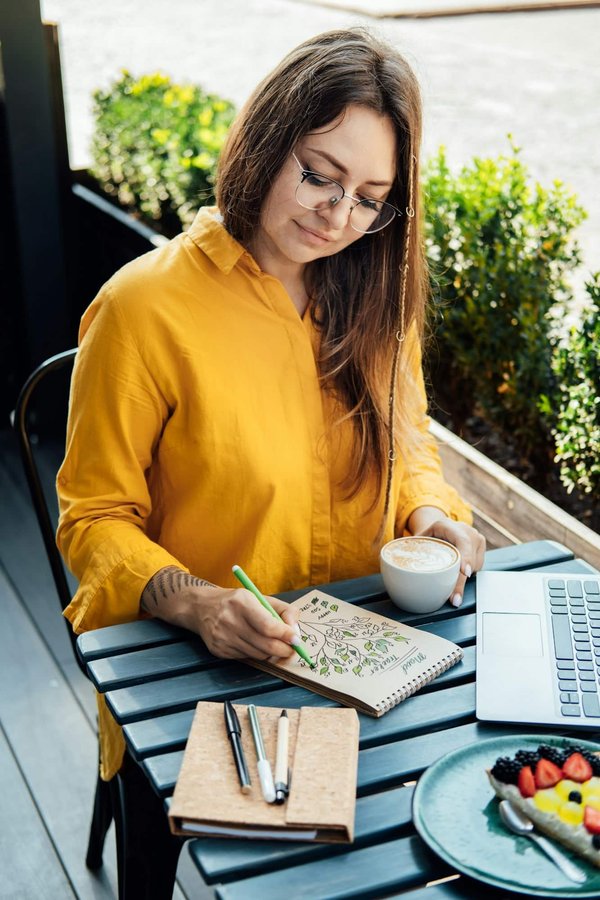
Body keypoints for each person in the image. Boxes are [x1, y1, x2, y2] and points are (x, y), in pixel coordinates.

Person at [57, 26, 485, 892]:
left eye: (370, 198)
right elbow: (94, 520)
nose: (337, 217)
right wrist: (199, 604)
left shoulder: (373, 290)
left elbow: (408, 440)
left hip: (374, 656)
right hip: (203, 674)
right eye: (320, 174)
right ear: (265, 140)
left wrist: (431, 514)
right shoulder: (144, 310)